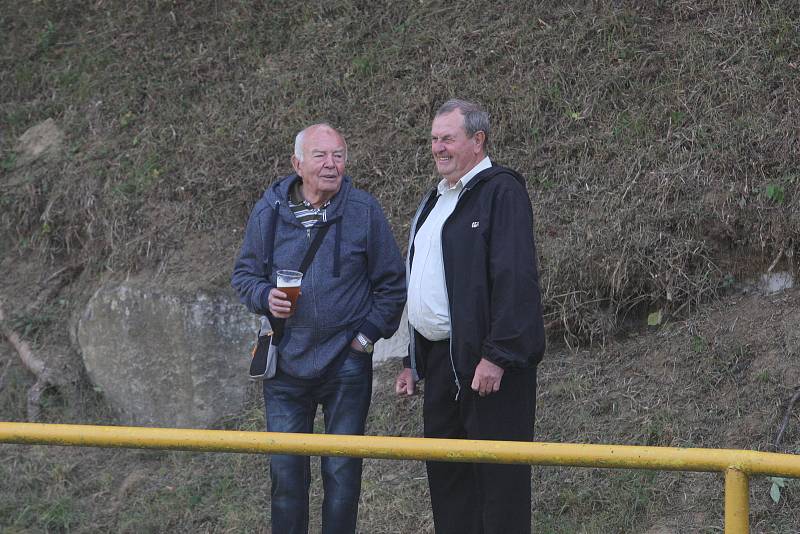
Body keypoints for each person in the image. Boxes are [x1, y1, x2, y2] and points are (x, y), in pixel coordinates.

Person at [232, 123, 405, 534]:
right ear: (298, 164)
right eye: (320, 156)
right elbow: (244, 275)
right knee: (287, 480)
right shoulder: (270, 210)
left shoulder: (364, 211)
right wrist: (264, 296)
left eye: (339, 156)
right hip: (286, 366)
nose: (331, 165)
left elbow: (392, 284)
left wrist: (364, 341)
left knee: (343, 478)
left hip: (346, 365)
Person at [395, 99, 546, 534]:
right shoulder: (435, 200)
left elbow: (515, 279)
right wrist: (412, 360)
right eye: (434, 139)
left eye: (448, 138)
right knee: (450, 482)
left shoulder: (502, 191)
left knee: (499, 488)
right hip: (443, 364)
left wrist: (497, 355)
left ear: (478, 141)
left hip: (488, 365)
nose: (438, 148)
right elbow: (426, 282)